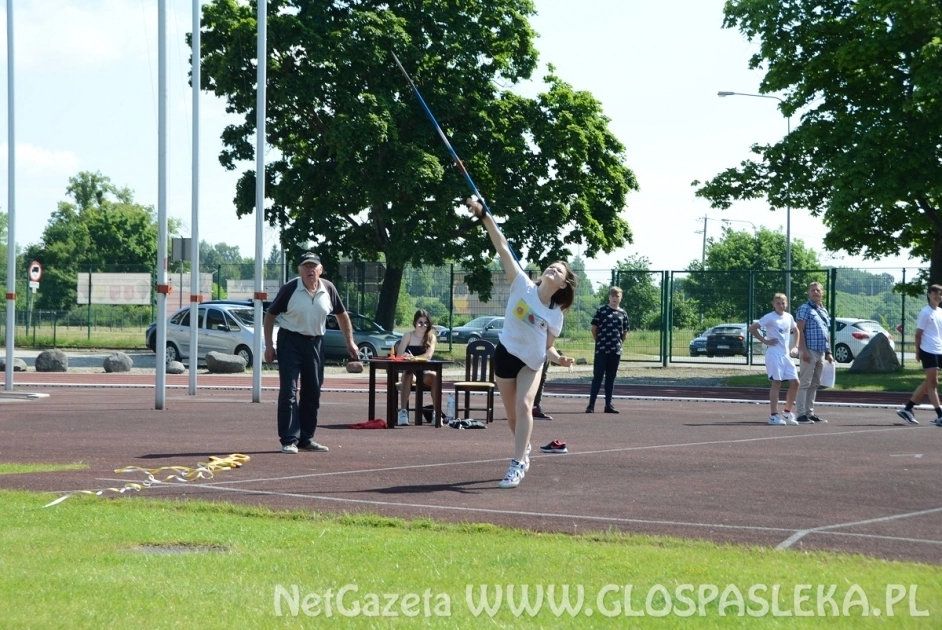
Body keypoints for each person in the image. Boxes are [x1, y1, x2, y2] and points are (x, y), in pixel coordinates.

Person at [466, 197, 577, 489]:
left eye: (559, 271)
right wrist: (483, 216)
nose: (553, 270)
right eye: (551, 266)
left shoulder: (555, 315)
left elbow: (547, 348)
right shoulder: (521, 284)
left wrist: (559, 359)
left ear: (562, 285)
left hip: (531, 362)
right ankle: (523, 451)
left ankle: (516, 464)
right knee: (513, 419)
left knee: (525, 407)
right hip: (504, 356)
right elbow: (501, 245)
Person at [264, 251, 358, 454]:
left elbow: (342, 315)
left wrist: (350, 342)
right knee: (289, 391)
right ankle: (289, 439)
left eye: (313, 266)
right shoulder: (290, 289)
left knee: (313, 391)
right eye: (306, 266)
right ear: (299, 270)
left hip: (315, 342)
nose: (310, 270)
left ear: (320, 270)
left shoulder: (329, 288)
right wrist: (269, 346)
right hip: (290, 341)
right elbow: (270, 315)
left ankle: (305, 438)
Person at [750, 293, 801, 425]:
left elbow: (796, 330)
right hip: (773, 355)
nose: (780, 305)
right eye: (778, 303)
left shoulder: (789, 317)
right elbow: (752, 328)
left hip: (786, 355)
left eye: (783, 303)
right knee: (776, 383)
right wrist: (765, 341)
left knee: (795, 382)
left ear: (787, 304)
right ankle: (773, 415)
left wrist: (795, 346)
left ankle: (787, 412)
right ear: (773, 304)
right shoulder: (769, 317)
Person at [897, 284, 942, 426]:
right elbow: (918, 334)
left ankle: (908, 408)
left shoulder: (940, 312)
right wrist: (918, 351)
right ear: (929, 294)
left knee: (930, 382)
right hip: (928, 350)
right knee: (933, 383)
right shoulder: (925, 312)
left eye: (940, 294)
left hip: (939, 350)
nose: (937, 296)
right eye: (934, 293)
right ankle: (940, 415)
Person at [794, 281, 834, 424]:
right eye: (812, 290)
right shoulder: (804, 309)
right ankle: (800, 414)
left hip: (821, 351)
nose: (815, 292)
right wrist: (803, 350)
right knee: (805, 382)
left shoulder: (823, 310)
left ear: (822, 292)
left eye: (817, 290)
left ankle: (809, 412)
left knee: (815, 383)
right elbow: (799, 330)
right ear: (808, 293)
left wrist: (829, 351)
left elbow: (826, 332)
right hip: (809, 350)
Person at [586, 286, 629, 413]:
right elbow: (594, 328)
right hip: (601, 349)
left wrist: (618, 343)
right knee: (597, 377)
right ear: (609, 297)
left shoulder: (623, 313)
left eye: (617, 296)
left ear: (621, 298)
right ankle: (591, 405)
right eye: (613, 296)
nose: (615, 298)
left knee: (611, 377)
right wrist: (599, 341)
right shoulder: (602, 311)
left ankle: (608, 405)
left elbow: (625, 332)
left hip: (615, 350)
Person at [395, 309, 438, 426]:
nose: (423, 326)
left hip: (425, 372)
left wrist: (414, 358)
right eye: (420, 323)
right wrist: (405, 356)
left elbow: (428, 355)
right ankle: (403, 412)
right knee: (407, 375)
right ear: (415, 323)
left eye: (426, 323)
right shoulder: (408, 336)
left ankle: (436, 412)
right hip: (411, 372)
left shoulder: (431, 337)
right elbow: (399, 355)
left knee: (435, 376)